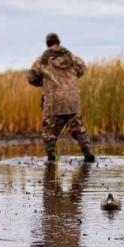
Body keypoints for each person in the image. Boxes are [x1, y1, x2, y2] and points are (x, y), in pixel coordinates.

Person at [27, 33, 95, 163]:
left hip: (53, 101)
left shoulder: (42, 59)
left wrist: (42, 82)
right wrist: (70, 79)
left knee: (49, 133)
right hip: (72, 100)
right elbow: (82, 69)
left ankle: (51, 159)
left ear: (47, 44)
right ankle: (88, 154)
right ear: (59, 41)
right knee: (78, 129)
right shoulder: (71, 56)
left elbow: (31, 77)